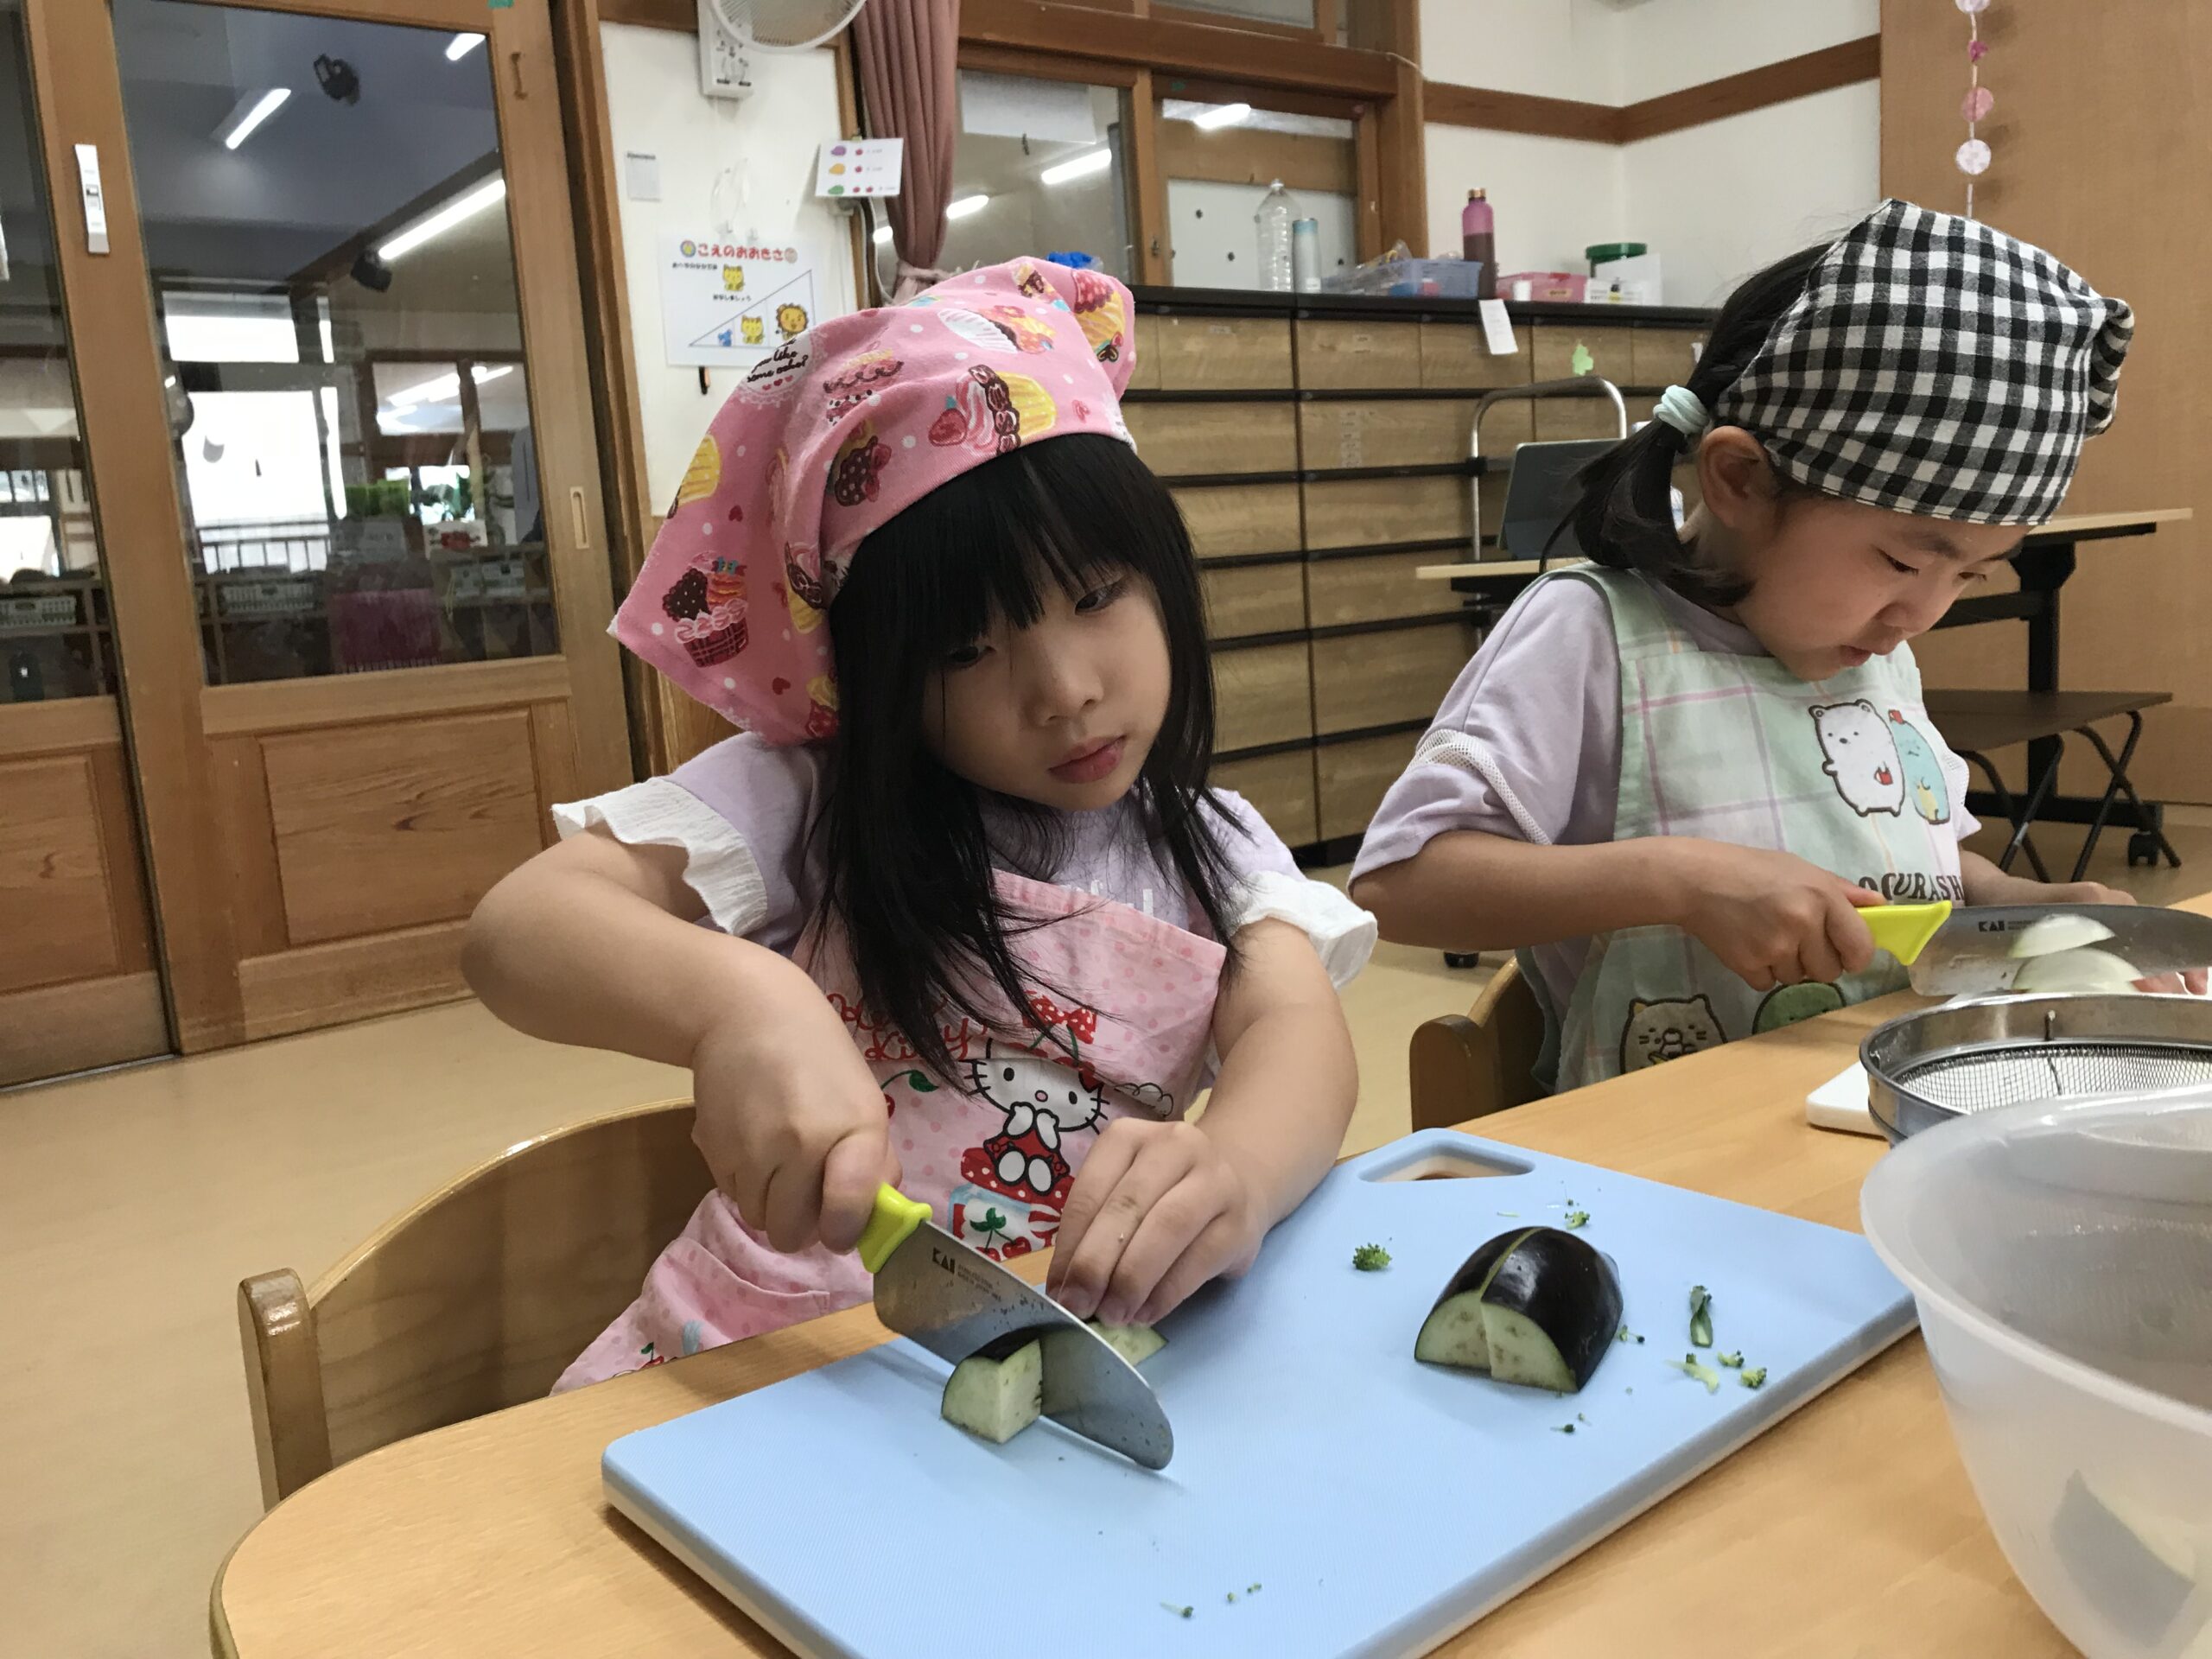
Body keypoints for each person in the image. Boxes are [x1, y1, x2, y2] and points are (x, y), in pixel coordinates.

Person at [465, 258, 1372, 1389]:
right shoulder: (816, 799)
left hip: (1049, 1373)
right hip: (752, 1362)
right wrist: (740, 1009)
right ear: (878, 672)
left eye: (1097, 596)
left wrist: (1236, 1168)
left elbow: (1297, 1036)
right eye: (965, 650)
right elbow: (518, 929)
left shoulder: (1213, 844)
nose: (1064, 692)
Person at [1351, 199, 2190, 1094]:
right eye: (1903, 562)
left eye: (1970, 576)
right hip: (1659, 1133)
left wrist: (2017, 907)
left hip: (1868, 1101)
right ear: (1739, 478)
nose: (1922, 614)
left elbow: (1901, 865)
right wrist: (1680, 880)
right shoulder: (1593, 634)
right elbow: (1401, 885)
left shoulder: (1874, 653)